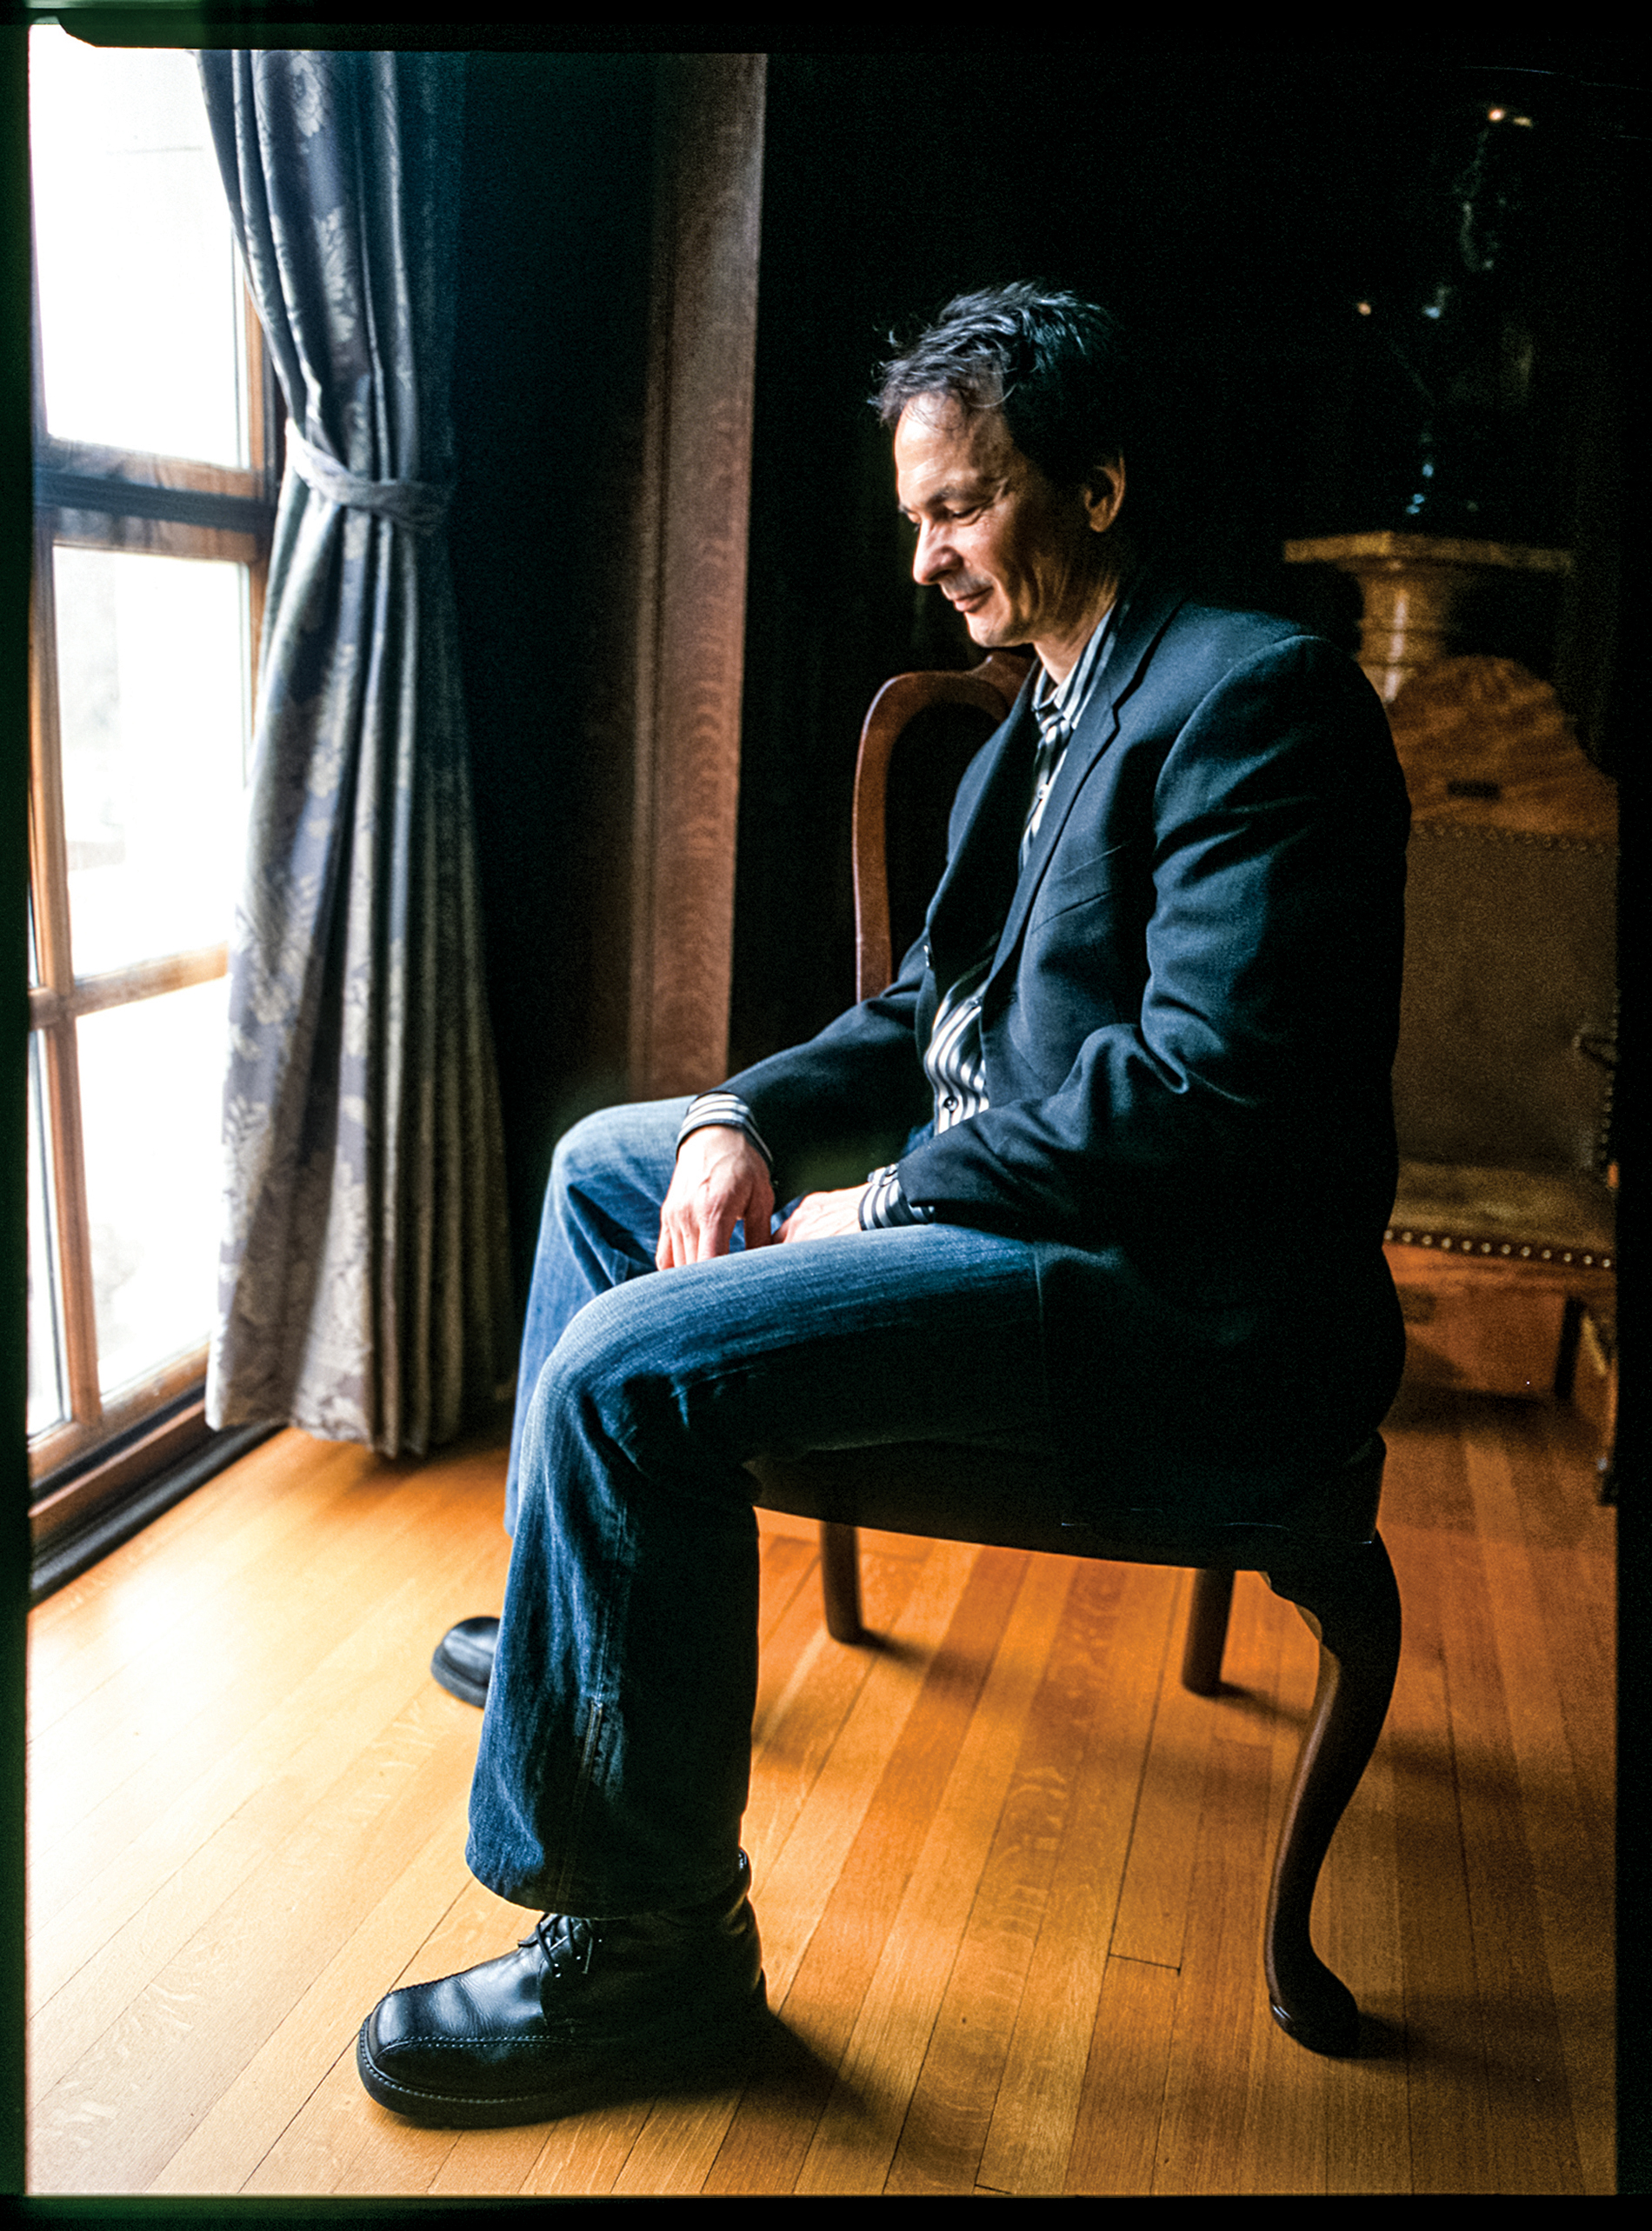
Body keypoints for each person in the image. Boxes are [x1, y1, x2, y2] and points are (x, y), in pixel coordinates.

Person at [356, 284, 1409, 2128]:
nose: (926, 553)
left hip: (1167, 1297)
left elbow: (1199, 1097)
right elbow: (926, 1010)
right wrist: (738, 1119)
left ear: (1094, 481)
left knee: (619, 1375)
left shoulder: (1257, 697)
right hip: (1029, 1222)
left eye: (961, 506)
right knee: (613, 1161)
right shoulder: (1033, 722)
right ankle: (569, 1633)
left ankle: (646, 1950)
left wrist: (880, 1201)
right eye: (913, 514)